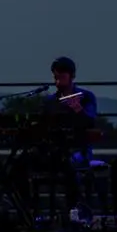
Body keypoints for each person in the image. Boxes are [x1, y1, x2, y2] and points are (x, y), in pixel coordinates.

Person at [40, 56, 99, 212]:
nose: (57, 81)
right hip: (54, 150)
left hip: (78, 149)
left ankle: (73, 210)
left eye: (61, 76)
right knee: (20, 164)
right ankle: (26, 210)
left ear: (71, 76)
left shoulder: (85, 97)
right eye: (55, 77)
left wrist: (77, 109)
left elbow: (90, 121)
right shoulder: (50, 101)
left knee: (70, 165)